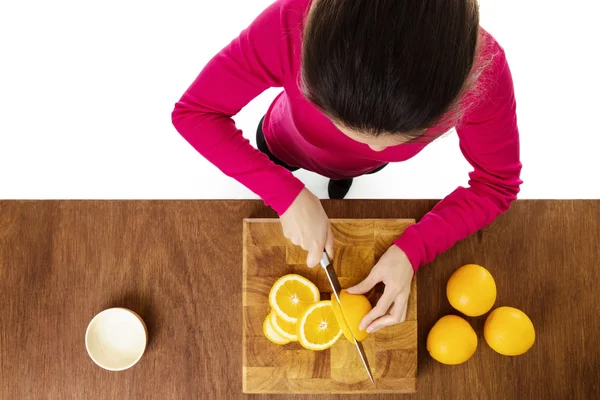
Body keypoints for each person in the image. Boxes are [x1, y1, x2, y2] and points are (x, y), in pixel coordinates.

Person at [171, 0, 522, 334]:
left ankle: (344, 180)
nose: (370, 147)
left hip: (364, 169)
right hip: (282, 139)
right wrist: (286, 194)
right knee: (276, 155)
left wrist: (413, 251)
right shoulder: (291, 22)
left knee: (352, 173)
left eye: (397, 141)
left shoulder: (484, 74)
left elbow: (497, 185)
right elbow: (194, 113)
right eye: (343, 124)